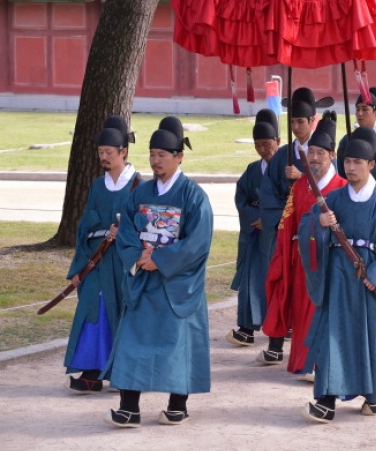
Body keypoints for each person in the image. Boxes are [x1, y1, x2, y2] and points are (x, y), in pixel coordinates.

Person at [103, 116, 213, 428]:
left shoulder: (193, 196)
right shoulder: (140, 193)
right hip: (144, 278)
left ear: (179, 157)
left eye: (162, 155)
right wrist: (139, 258)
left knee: (177, 343)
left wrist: (162, 260)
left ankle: (177, 404)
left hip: (176, 283)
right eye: (152, 154)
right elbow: (126, 231)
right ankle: (129, 407)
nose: (155, 161)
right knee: (132, 342)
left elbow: (198, 243)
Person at [297, 126, 376, 423]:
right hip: (337, 278)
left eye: (358, 162)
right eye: (347, 161)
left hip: (368, 281)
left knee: (370, 336)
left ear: (371, 165)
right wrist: (319, 223)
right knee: (330, 336)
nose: (351, 167)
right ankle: (326, 399)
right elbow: (306, 227)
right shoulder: (333, 199)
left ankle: (374, 394)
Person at [257, 113, 347, 374]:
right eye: (311, 152)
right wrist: (283, 255)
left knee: (324, 312)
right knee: (300, 310)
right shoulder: (300, 187)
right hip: (300, 261)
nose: (315, 158)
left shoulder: (341, 187)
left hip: (329, 263)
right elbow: (287, 224)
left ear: (332, 155)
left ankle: (321, 364)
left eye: (321, 153)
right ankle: (302, 361)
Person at [63, 115, 140, 394]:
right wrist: (78, 269)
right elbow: (85, 226)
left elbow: (146, 226)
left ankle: (122, 372)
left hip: (121, 263)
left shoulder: (139, 186)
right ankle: (92, 372)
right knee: (92, 311)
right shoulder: (97, 185)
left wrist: (127, 236)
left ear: (124, 152)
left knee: (121, 313)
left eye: (109, 152)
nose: (104, 157)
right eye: (100, 152)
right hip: (95, 262)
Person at [226, 110, 281, 346]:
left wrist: (269, 219)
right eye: (258, 145)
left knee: (279, 280)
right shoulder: (251, 170)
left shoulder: (286, 169)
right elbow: (241, 199)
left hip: (279, 236)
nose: (263, 150)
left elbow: (292, 200)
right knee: (251, 281)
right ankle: (247, 327)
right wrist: (254, 218)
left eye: (267, 144)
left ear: (278, 141)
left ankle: (282, 327)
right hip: (255, 235)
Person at [260, 87, 333, 260]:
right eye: (292, 122)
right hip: (286, 223)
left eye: (300, 122)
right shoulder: (282, 155)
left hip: (315, 223)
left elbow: (331, 187)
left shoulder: (323, 154)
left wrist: (302, 177)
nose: (295, 127)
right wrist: (283, 218)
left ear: (311, 121)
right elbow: (268, 191)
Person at [337, 87, 376, 197]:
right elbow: (341, 172)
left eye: (365, 109)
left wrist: (363, 168)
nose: (359, 113)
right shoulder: (346, 140)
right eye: (357, 109)